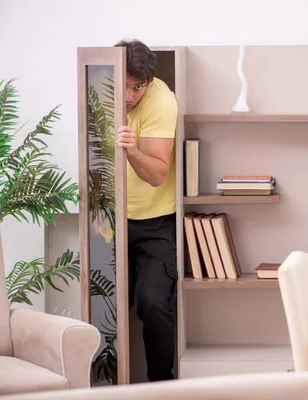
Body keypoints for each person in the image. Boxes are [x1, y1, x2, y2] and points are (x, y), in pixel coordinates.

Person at [114, 39, 179, 382]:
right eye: (123, 85)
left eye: (137, 87)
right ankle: (103, 384)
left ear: (148, 82)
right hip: (111, 221)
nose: (129, 95)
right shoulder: (99, 93)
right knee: (106, 305)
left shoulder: (161, 102)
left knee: (154, 304)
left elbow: (156, 174)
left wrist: (132, 150)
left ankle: (161, 386)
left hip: (156, 222)